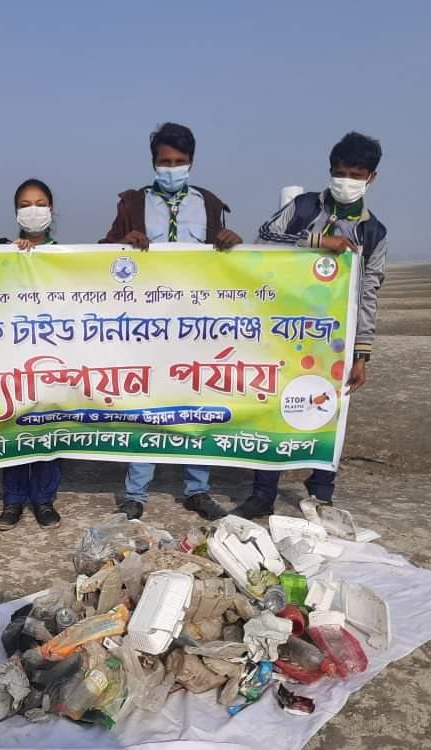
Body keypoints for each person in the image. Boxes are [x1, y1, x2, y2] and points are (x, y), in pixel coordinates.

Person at [233, 131, 388, 519]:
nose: (347, 181)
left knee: (329, 409)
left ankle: (321, 492)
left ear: (371, 178)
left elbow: (369, 293)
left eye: (356, 174)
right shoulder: (303, 207)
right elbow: (262, 241)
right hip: (284, 329)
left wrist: (362, 354)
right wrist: (316, 240)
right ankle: (263, 493)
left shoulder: (374, 232)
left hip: (335, 338)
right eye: (341, 172)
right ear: (330, 170)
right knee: (274, 406)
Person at [100, 122, 243, 522]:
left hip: (198, 322)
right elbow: (102, 252)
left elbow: (224, 257)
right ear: (153, 163)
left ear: (191, 162)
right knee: (148, 403)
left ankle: (197, 490)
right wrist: (122, 243)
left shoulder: (209, 203)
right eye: (165, 161)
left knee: (199, 402)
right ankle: (135, 494)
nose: (172, 168)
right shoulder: (132, 203)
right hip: (147, 322)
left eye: (179, 161)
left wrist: (232, 241)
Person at [0, 179, 63, 531]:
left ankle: (44, 499)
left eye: (40, 203)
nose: (33, 211)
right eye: (25, 204)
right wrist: (10, 255)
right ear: (16, 212)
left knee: (49, 426)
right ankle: (13, 500)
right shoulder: (1, 251)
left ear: (52, 209)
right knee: (15, 423)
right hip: (14, 353)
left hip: (54, 354)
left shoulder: (67, 256)